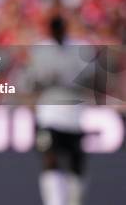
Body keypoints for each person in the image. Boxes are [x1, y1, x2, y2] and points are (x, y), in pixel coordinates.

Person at [26, 15, 93, 205]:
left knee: (76, 162)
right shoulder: (40, 50)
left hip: (74, 114)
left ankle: (74, 202)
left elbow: (91, 77)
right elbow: (32, 79)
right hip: (49, 113)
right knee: (50, 157)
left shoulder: (80, 48)